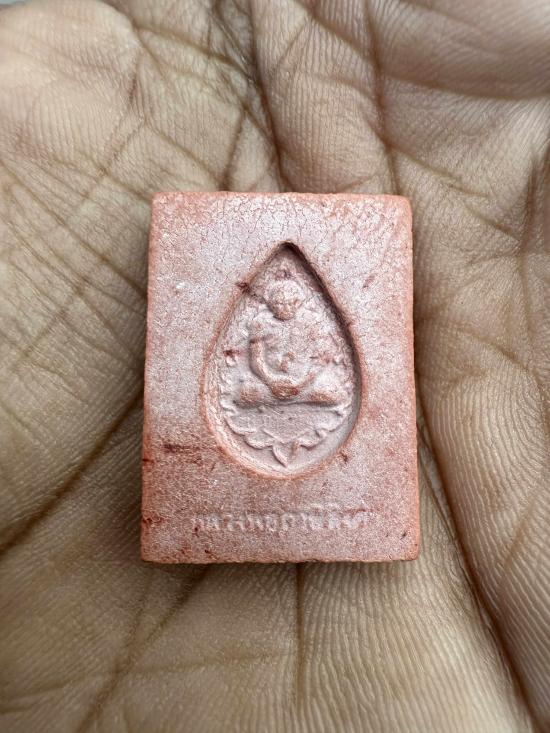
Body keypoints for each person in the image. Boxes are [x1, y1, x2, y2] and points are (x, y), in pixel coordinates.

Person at [1, 1, 548, 731]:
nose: (288, 304)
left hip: (305, 396)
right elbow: (256, 365)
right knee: (258, 392)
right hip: (264, 397)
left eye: (293, 298)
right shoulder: (259, 326)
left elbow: (320, 364)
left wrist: (298, 380)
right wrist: (274, 379)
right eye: (281, 298)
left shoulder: (312, 326)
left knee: (322, 387)